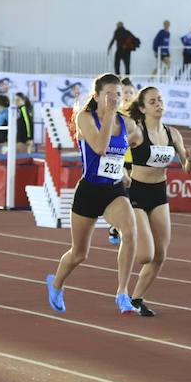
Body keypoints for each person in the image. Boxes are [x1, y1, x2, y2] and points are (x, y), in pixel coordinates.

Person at [46, 73, 144, 315]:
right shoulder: (85, 118)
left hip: (113, 190)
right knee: (79, 253)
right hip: (89, 191)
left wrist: (121, 168)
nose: (115, 98)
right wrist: (110, 114)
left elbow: (132, 143)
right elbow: (100, 148)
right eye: (109, 94)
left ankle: (122, 293)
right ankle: (56, 283)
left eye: (119, 95)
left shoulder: (127, 123)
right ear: (97, 96)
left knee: (130, 233)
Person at [125, 86, 191, 317]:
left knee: (160, 255)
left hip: (158, 194)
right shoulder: (136, 131)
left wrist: (189, 159)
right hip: (136, 191)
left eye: (160, 100)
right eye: (153, 101)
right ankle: (124, 236)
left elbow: (187, 169)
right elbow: (115, 154)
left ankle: (136, 299)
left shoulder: (173, 134)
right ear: (143, 107)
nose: (158, 104)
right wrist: (122, 172)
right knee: (145, 254)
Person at [108, 77, 137, 246]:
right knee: (121, 194)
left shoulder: (137, 116)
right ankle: (115, 226)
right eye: (125, 92)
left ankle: (123, 227)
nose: (128, 95)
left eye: (131, 93)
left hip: (136, 161)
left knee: (133, 195)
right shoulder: (117, 115)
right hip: (120, 159)